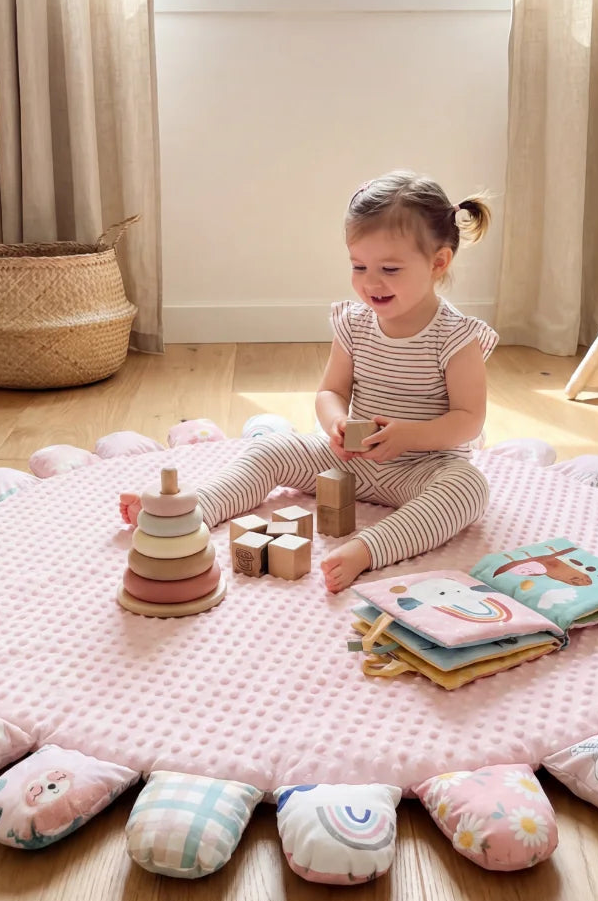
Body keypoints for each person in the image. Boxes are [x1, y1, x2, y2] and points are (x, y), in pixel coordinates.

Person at [197, 170, 497, 592]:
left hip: (422, 468)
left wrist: (408, 436)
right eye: (359, 266)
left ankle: (369, 549)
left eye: (389, 268)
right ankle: (199, 508)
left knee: (467, 488)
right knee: (271, 449)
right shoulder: (354, 323)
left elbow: (469, 420)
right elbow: (330, 391)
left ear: (438, 262)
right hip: (349, 461)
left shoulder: (456, 337)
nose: (371, 282)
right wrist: (336, 422)